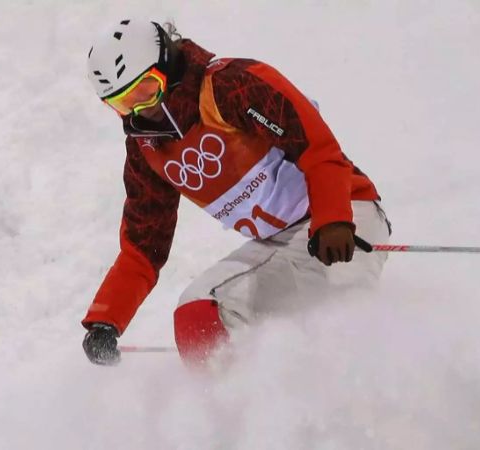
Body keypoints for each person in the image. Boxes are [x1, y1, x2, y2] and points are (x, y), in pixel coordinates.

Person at [80, 19, 391, 368]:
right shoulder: (147, 149)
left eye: (146, 91)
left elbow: (316, 147)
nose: (142, 111)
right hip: (281, 244)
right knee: (198, 318)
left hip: (343, 224)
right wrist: (107, 319)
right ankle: (248, 411)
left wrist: (332, 217)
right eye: (122, 104)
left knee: (339, 330)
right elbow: (142, 247)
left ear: (167, 63)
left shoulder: (231, 87)